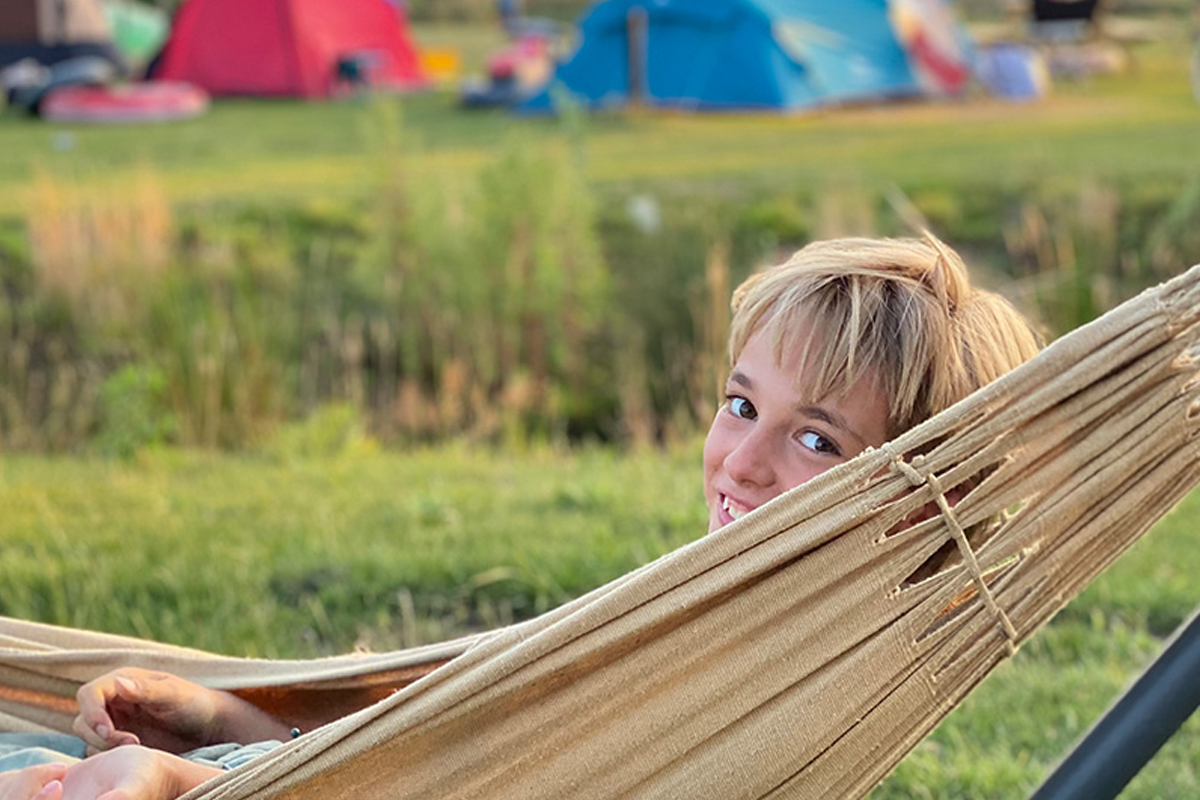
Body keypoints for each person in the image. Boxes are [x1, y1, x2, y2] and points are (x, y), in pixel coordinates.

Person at [0, 233, 1042, 800]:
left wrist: (175, 780)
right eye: (740, 404)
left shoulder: (767, 692)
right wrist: (225, 721)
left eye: (817, 438)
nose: (744, 461)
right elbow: (445, 764)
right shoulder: (714, 620)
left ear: (917, 506)